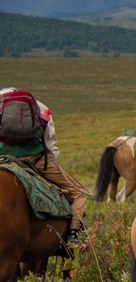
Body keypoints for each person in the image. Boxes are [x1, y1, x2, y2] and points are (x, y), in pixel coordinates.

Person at [0, 87, 92, 245]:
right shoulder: (39, 107)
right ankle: (73, 235)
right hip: (34, 160)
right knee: (79, 192)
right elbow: (50, 147)